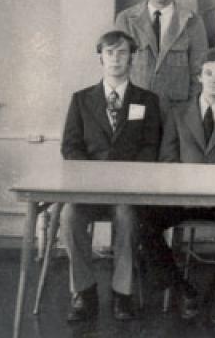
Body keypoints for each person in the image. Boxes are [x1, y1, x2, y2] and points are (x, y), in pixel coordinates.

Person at [139, 48, 215, 325]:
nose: (214, 80)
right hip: (184, 199)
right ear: (199, 77)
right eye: (209, 74)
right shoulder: (178, 113)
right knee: (143, 220)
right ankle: (184, 289)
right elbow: (167, 160)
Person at [60, 30, 162, 322]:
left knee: (127, 217)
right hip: (89, 189)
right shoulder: (81, 100)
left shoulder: (147, 100)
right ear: (100, 58)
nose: (115, 59)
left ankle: (122, 294)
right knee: (69, 217)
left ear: (132, 58)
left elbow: (150, 147)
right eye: (109, 53)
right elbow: (70, 146)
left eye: (122, 53)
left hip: (126, 190)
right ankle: (83, 291)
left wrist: (124, 177)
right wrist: (94, 176)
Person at [115, 0, 208, 113]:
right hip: (136, 105)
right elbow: (118, 66)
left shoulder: (192, 21)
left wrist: (190, 109)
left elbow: (199, 71)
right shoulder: (126, 19)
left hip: (176, 109)